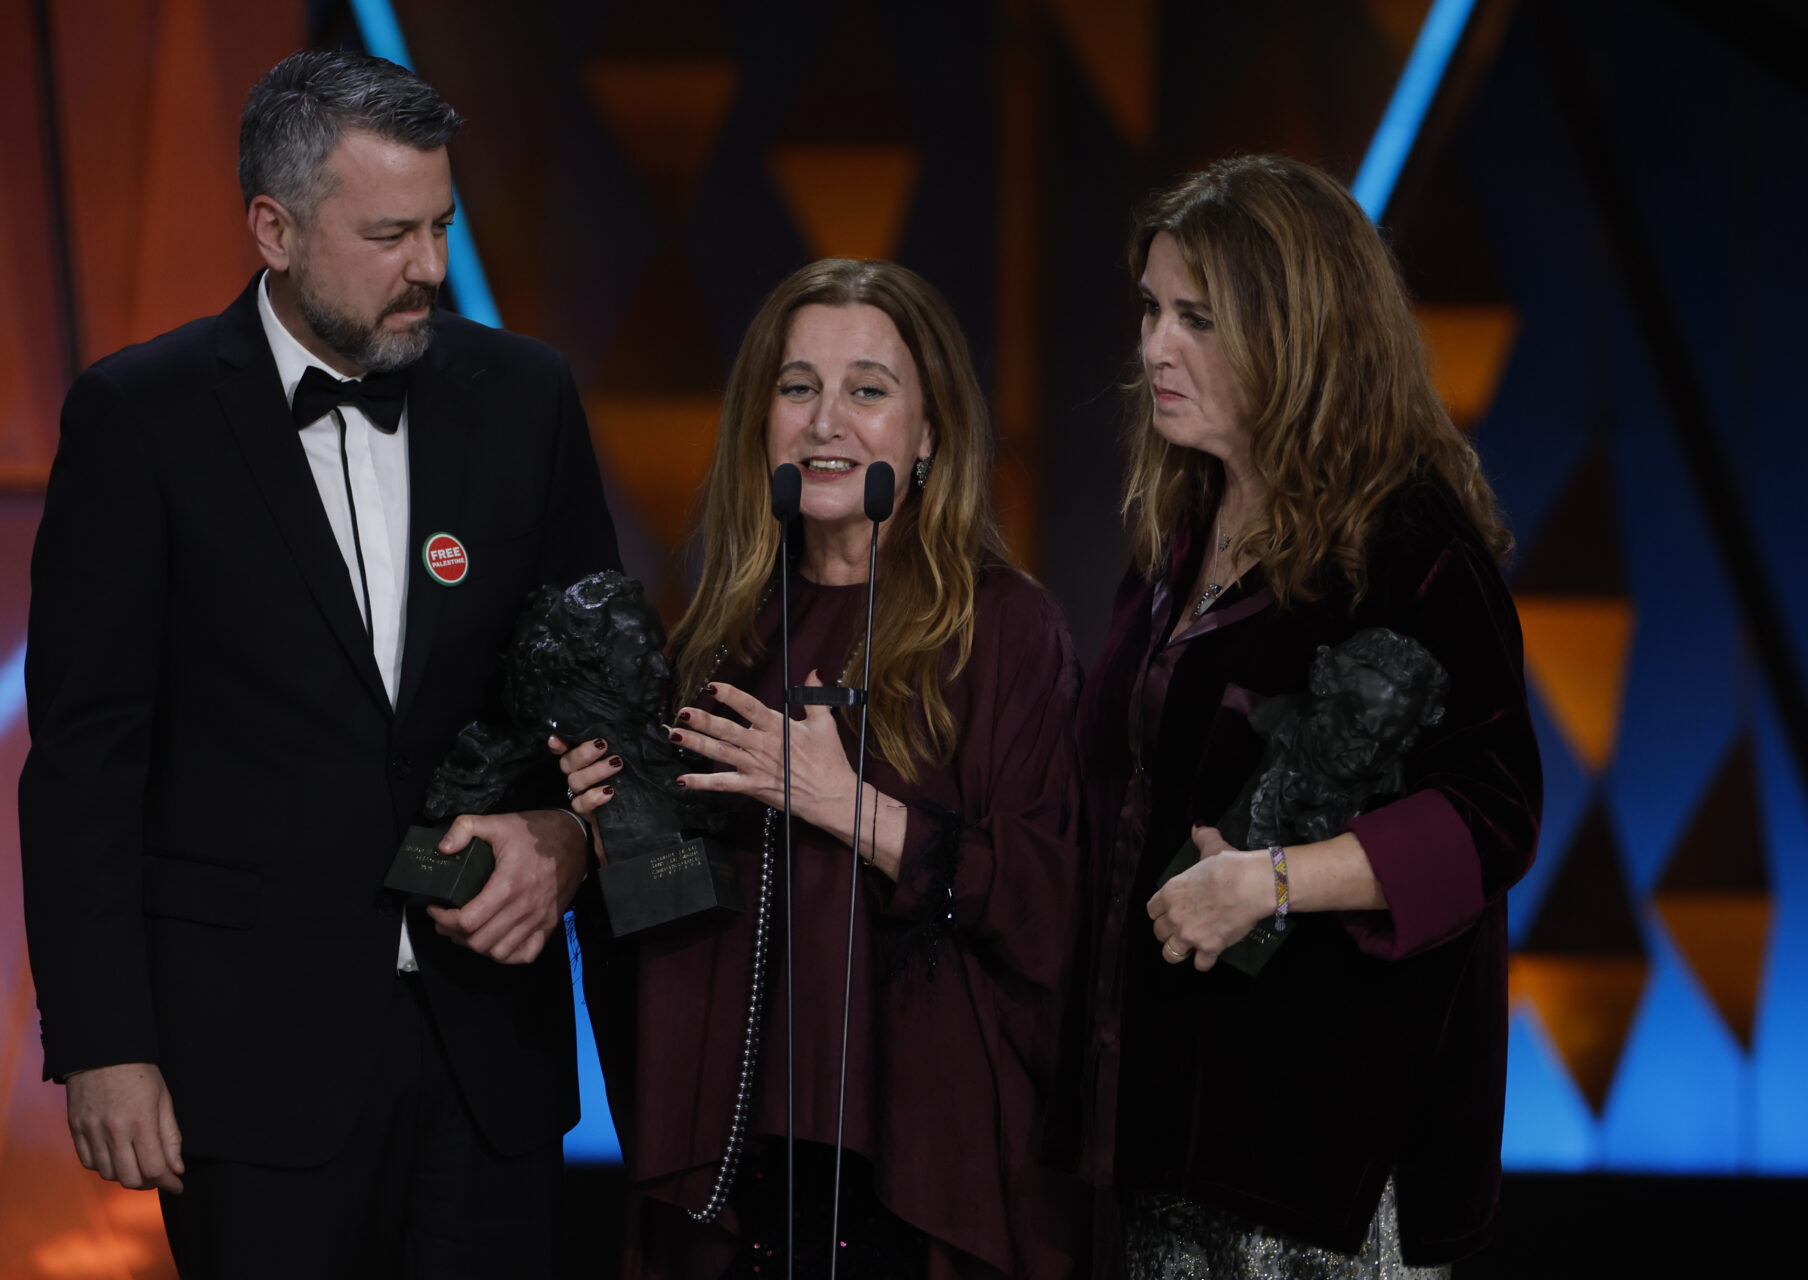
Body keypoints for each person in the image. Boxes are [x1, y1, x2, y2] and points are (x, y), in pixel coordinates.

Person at [17, 50, 618, 1277]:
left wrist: (564, 841)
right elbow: (85, 756)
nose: (432, 269)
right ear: (274, 228)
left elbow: (598, 692)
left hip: (487, 1052)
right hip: (247, 1064)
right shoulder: (139, 418)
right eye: (391, 233)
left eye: (443, 225)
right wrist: (101, 1040)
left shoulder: (527, 396)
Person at [1062, 156, 1543, 1277]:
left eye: (1196, 318)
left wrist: (1270, 880)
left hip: (1323, 1166)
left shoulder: (1412, 545)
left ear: (1298, 329)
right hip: (1166, 1137)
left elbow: (1491, 814)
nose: (1152, 349)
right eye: (1149, 310)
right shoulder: (1180, 536)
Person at [559, 259, 1084, 1278]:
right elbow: (664, 944)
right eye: (798, 387)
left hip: (926, 1186)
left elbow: (1050, 906)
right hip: (735, 1182)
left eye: (869, 389)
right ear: (762, 420)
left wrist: (853, 808)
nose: (826, 419)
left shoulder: (1007, 631)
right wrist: (610, 840)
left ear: (929, 434)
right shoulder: (715, 644)